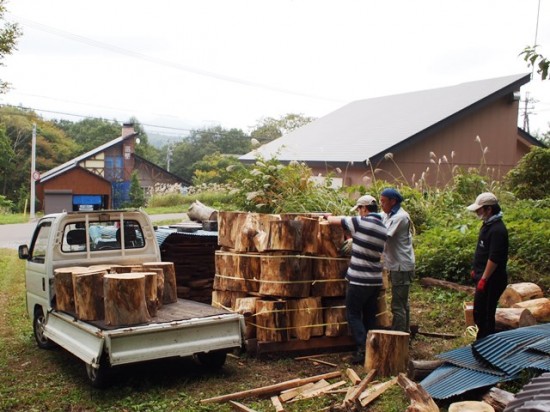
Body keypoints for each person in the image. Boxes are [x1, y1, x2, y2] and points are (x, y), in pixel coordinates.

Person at [326, 195, 388, 364]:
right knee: (369, 315)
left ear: (364, 209)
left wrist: (324, 217)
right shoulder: (382, 227)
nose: (359, 212)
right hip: (375, 279)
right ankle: (373, 348)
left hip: (359, 280)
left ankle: (361, 349)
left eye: (359, 209)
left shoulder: (360, 222)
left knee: (353, 313)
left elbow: (334, 220)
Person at [467, 192, 508, 340]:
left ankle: (486, 343)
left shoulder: (498, 230)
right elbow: (482, 251)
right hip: (483, 275)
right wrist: (476, 270)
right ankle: (482, 340)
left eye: (480, 209)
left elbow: (494, 258)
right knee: (478, 311)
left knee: (486, 313)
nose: (477, 212)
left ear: (489, 209)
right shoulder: (487, 225)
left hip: (492, 279)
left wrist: (484, 278)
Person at [379, 188, 415, 333]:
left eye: (383, 201)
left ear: (393, 202)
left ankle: (397, 337)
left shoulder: (400, 217)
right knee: (402, 303)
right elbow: (375, 217)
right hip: (396, 265)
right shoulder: (387, 214)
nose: (381, 204)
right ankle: (405, 334)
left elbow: (383, 235)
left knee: (398, 306)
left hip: (401, 267)